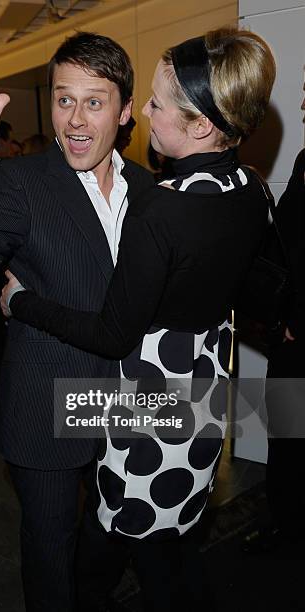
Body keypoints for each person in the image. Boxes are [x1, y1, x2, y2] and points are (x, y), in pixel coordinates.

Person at [1, 27, 276, 611]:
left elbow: (111, 335)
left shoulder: (159, 207)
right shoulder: (251, 188)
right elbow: (264, 292)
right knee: (169, 535)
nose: (140, 114)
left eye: (154, 104)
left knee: (115, 540)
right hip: (204, 392)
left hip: (147, 406)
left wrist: (20, 302)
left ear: (200, 124)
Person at [0, 32, 154, 612]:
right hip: (45, 405)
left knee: (116, 535)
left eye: (94, 102)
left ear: (125, 111)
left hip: (128, 404)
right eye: (62, 99)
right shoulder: (21, 184)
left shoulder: (149, 188)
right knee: (51, 548)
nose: (74, 119)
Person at [243, 87, 305, 554]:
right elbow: (285, 243)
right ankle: (286, 524)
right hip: (289, 336)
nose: (302, 104)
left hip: (297, 335)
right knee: (286, 437)